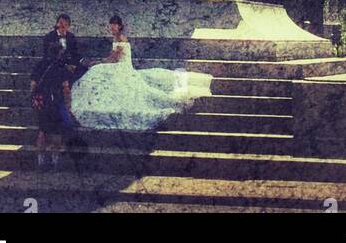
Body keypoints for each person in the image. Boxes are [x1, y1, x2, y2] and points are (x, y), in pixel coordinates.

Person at [68, 15, 212, 131]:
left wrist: (99, 63)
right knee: (97, 70)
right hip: (117, 64)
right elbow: (112, 57)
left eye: (114, 25)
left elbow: (116, 57)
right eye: (111, 25)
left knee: (97, 71)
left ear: (119, 26)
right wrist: (101, 62)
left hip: (122, 66)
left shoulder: (121, 38)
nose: (112, 27)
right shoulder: (116, 37)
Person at [29, 43, 72, 170]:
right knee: (56, 132)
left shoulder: (40, 65)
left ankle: (41, 161)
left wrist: (35, 99)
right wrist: (68, 104)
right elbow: (65, 88)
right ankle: (55, 161)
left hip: (42, 101)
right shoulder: (61, 67)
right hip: (56, 101)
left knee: (42, 131)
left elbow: (32, 84)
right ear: (59, 53)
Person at [42, 15, 88, 85]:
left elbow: (75, 53)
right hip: (54, 64)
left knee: (83, 69)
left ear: (68, 26)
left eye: (65, 24)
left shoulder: (71, 37)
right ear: (56, 24)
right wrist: (66, 65)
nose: (62, 26)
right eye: (60, 23)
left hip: (69, 64)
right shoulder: (49, 37)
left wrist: (81, 61)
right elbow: (48, 55)